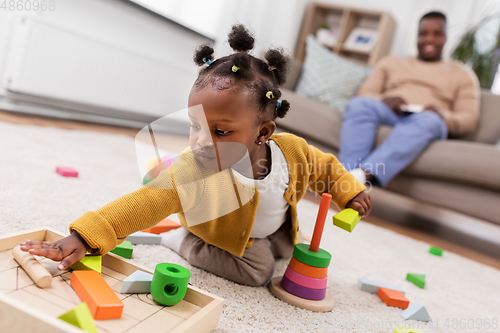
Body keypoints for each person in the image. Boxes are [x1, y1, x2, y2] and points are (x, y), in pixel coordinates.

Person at [19, 25, 371, 287]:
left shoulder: (292, 152)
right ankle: (183, 240)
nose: (201, 141)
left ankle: (256, 240)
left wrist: (349, 192)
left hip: (268, 227)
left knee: (287, 250)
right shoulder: (197, 169)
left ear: (263, 133)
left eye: (220, 132)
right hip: (220, 232)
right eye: (195, 125)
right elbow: (143, 203)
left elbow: (324, 168)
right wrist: (85, 237)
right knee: (260, 272)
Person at [339, 11, 480, 187]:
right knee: (358, 105)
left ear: (445, 38)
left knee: (429, 120)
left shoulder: (463, 74)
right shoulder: (391, 62)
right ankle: (343, 177)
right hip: (390, 113)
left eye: (437, 34)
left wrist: (441, 114)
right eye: (423, 34)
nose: (429, 39)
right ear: (417, 37)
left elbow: (469, 118)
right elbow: (363, 94)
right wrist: (386, 99)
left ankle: (360, 177)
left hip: (426, 120)